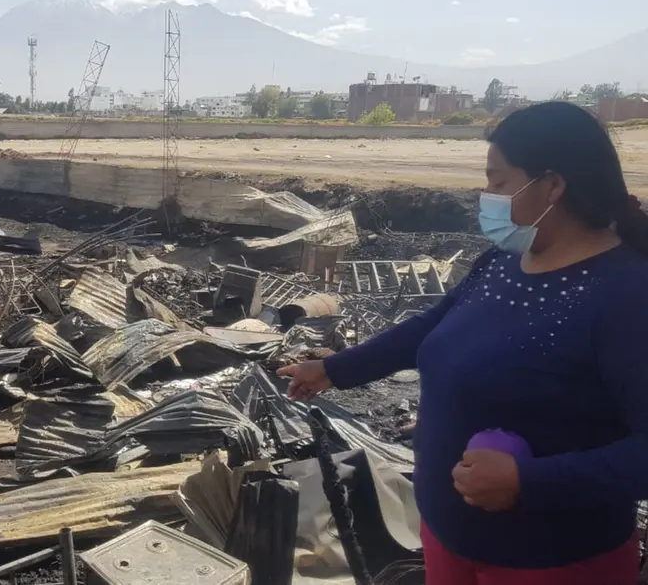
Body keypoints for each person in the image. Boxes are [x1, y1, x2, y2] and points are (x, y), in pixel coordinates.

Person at [278, 101, 648, 585]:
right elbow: (431, 326)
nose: (484, 194)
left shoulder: (626, 296)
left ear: (552, 186)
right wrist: (335, 369)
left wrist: (528, 481)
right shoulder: (502, 263)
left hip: (551, 562)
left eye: (498, 181)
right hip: (448, 540)